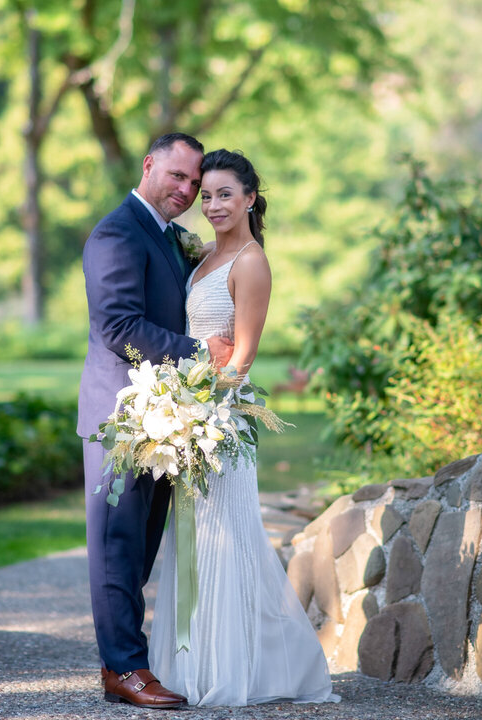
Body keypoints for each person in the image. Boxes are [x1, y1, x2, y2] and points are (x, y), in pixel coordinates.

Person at [149, 149, 338, 706]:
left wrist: (195, 417)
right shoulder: (203, 254)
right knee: (193, 544)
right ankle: (190, 667)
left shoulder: (251, 262)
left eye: (225, 194)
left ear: (251, 198)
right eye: (205, 195)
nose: (212, 205)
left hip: (220, 424)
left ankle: (235, 672)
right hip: (190, 421)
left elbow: (242, 361)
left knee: (225, 542)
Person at [78, 132, 233, 709]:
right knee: (117, 548)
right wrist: (200, 352)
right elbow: (118, 327)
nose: (187, 190)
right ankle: (125, 670)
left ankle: (123, 661)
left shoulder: (167, 236)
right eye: (178, 176)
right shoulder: (117, 232)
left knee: (139, 550)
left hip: (163, 421)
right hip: (120, 418)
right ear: (149, 166)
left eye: (195, 182)